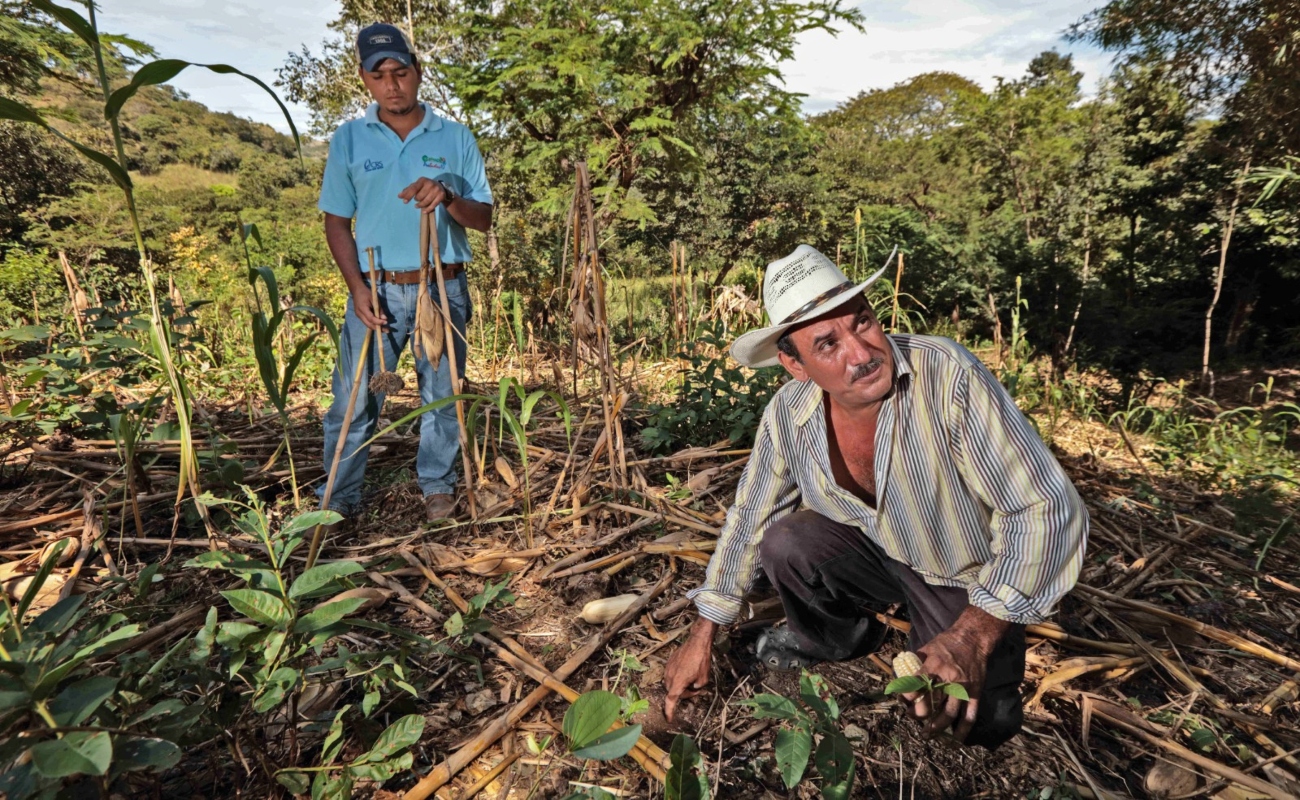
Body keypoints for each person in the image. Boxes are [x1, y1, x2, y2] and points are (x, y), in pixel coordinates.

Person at [662, 245, 1088, 749]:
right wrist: (702, 633)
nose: (861, 354)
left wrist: (971, 635)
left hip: (958, 572)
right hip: (873, 551)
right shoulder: (788, 414)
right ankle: (835, 638)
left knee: (984, 721)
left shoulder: (945, 375)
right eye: (827, 345)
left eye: (862, 323)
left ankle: (945, 629)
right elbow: (750, 516)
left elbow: (1044, 507)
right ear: (794, 365)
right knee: (785, 541)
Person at [316, 22, 493, 524]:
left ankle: (437, 487)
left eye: (400, 72)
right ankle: (337, 501)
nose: (392, 84)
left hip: (442, 286)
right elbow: (336, 221)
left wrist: (449, 196)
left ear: (418, 72)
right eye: (380, 75)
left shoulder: (455, 137)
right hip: (376, 289)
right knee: (352, 401)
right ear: (364, 80)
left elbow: (483, 219)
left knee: (442, 396)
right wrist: (356, 289)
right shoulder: (348, 139)